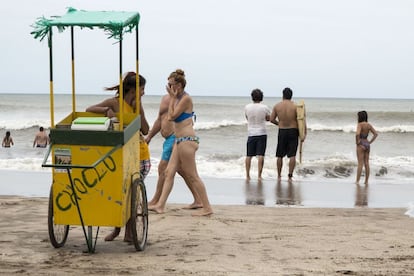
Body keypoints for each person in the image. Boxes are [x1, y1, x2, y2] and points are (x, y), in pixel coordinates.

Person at [86, 72, 150, 241]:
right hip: (121, 155)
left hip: (140, 155)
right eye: (142, 89)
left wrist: (140, 108)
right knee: (120, 193)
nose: (143, 93)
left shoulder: (138, 105)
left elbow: (145, 130)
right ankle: (118, 229)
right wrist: (106, 111)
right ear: (133, 89)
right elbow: (89, 109)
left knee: (132, 194)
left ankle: (128, 232)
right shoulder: (113, 103)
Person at [148, 69, 213, 216]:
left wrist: (171, 98)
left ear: (178, 85)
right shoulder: (177, 99)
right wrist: (173, 98)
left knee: (192, 176)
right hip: (179, 141)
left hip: (187, 140)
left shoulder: (185, 99)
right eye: (168, 84)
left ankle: (207, 207)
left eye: (171, 84)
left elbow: (171, 116)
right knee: (169, 172)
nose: (169, 87)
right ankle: (160, 206)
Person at [145, 91, 202, 209]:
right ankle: (198, 199)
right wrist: (150, 136)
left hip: (175, 137)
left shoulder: (183, 100)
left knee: (163, 167)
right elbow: (160, 119)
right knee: (182, 170)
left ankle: (156, 200)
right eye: (170, 84)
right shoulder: (164, 98)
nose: (172, 87)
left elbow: (186, 119)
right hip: (167, 140)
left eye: (174, 84)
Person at [270, 87, 305, 181]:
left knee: (280, 155)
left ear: (283, 95)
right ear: (291, 96)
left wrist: (279, 124)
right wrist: (303, 133)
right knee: (292, 155)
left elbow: (271, 119)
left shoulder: (277, 106)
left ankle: (279, 175)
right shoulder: (295, 106)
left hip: (282, 130)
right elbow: (301, 121)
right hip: (293, 130)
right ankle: (290, 176)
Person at [244, 89, 271, 180]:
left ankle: (247, 175)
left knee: (249, 155)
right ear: (261, 97)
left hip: (251, 133)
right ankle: (259, 176)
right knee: (261, 155)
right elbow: (268, 118)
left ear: (252, 97)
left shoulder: (247, 107)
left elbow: (247, 118)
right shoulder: (265, 107)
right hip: (262, 132)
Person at [355, 110, 378, 185]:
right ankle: (366, 181)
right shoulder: (369, 125)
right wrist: (370, 142)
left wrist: (357, 142)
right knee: (367, 163)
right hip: (367, 144)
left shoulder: (360, 124)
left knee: (360, 164)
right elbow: (376, 134)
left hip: (361, 144)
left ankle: (357, 181)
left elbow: (357, 134)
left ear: (360, 117)